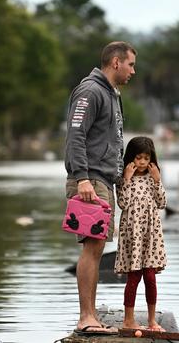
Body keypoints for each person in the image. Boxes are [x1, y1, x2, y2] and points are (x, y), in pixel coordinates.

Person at [65, 41, 137, 335]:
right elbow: (75, 135)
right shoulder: (91, 91)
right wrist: (82, 178)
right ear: (116, 62)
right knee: (92, 249)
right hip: (89, 181)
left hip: (102, 180)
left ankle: (91, 316)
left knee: (96, 249)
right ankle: (86, 318)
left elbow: (109, 141)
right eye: (131, 64)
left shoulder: (111, 93)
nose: (134, 70)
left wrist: (122, 178)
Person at [114, 136, 167, 332]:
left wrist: (157, 181)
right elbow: (123, 204)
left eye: (146, 158)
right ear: (131, 158)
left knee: (150, 277)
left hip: (151, 236)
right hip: (132, 235)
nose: (142, 162)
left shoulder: (153, 178)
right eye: (138, 158)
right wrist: (126, 179)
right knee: (134, 277)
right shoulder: (124, 179)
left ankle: (152, 320)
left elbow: (162, 203)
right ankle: (129, 320)